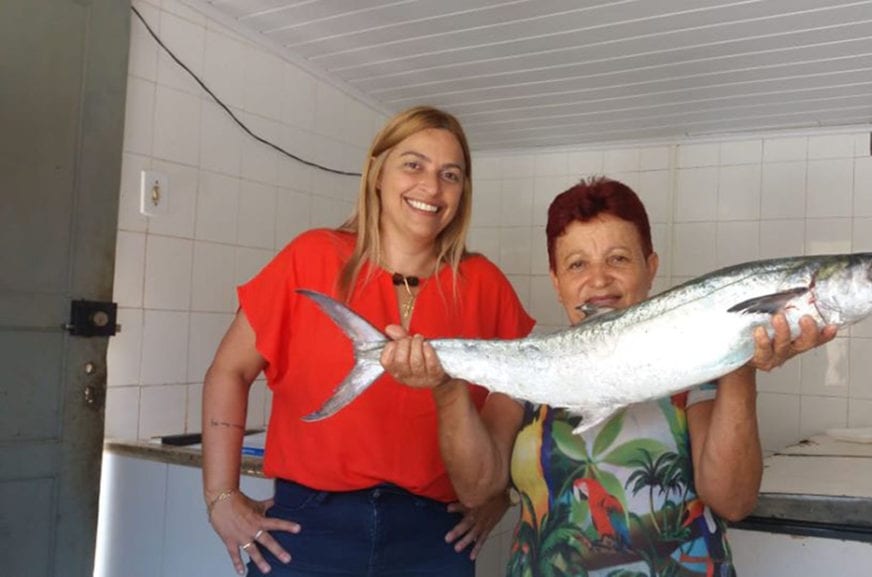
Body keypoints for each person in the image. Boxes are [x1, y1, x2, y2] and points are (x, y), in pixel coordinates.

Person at [201, 105, 535, 576]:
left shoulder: (487, 286)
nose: (431, 187)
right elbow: (228, 371)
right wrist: (221, 496)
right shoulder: (310, 256)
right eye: (413, 164)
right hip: (308, 531)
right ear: (378, 173)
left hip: (432, 538)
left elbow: (509, 422)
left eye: (451, 174)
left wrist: (496, 492)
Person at [500, 177, 836, 576]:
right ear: (556, 282)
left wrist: (742, 362)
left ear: (650, 268)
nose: (600, 280)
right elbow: (474, 485)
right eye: (577, 264)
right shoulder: (523, 366)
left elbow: (733, 501)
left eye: (619, 259)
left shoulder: (700, 363)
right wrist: (443, 384)